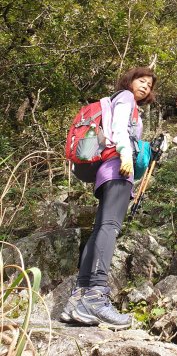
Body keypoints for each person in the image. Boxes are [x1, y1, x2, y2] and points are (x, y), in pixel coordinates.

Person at [61, 66, 156, 329]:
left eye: (149, 84)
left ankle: (78, 300)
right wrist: (126, 154)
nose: (145, 86)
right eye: (141, 80)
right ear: (130, 80)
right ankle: (96, 297)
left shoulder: (119, 101)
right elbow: (118, 130)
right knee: (110, 229)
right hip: (118, 168)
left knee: (99, 231)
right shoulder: (125, 98)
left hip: (106, 171)